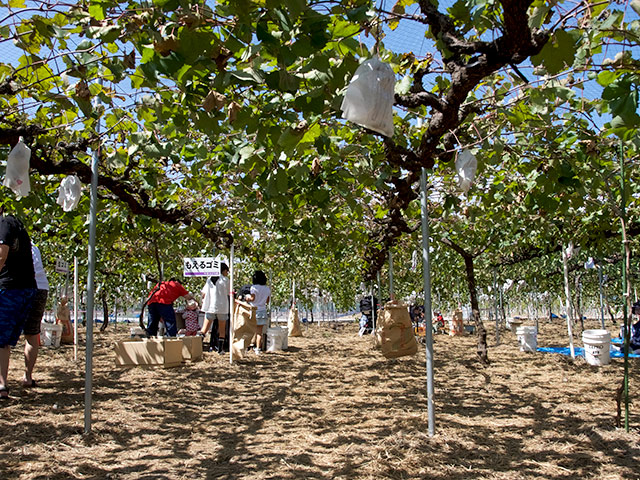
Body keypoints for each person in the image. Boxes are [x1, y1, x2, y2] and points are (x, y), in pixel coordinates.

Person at [0, 212, 37, 399]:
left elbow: (1, 255)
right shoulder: (15, 223)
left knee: (0, 339)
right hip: (24, 288)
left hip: (11, 289)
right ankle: (2, 384)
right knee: (3, 341)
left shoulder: (4, 224)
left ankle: (1, 385)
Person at [21, 244, 49, 388]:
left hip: (20, 288)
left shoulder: (6, 241)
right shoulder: (33, 246)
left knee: (3, 338)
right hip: (41, 288)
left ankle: (3, 382)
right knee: (32, 335)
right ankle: (28, 377)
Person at [200, 263, 230, 353]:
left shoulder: (210, 280)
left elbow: (203, 293)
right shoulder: (225, 280)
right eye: (227, 271)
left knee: (204, 329)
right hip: (222, 307)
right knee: (222, 329)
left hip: (211, 307)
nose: (227, 273)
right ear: (224, 271)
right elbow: (229, 292)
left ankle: (197, 346)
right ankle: (220, 349)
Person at [246, 270, 270, 354]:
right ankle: (258, 349)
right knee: (259, 332)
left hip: (253, 310)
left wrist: (247, 298)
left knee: (250, 330)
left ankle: (249, 346)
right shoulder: (267, 289)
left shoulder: (254, 288)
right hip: (262, 311)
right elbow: (267, 301)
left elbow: (252, 299)